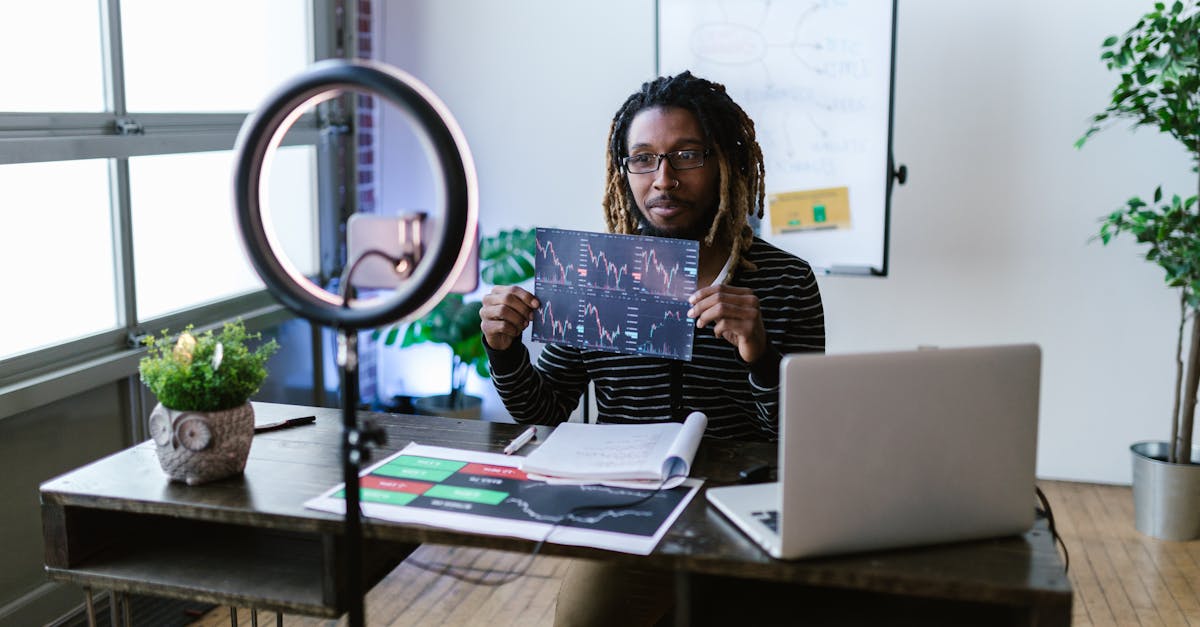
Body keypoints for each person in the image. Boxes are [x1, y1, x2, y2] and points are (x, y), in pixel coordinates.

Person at [478, 71, 826, 626]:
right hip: (625, 505)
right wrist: (505, 351)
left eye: (687, 155)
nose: (664, 179)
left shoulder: (786, 281)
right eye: (643, 159)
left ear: (724, 163)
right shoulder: (597, 273)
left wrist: (760, 356)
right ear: (625, 172)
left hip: (739, 507)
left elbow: (802, 440)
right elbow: (543, 410)